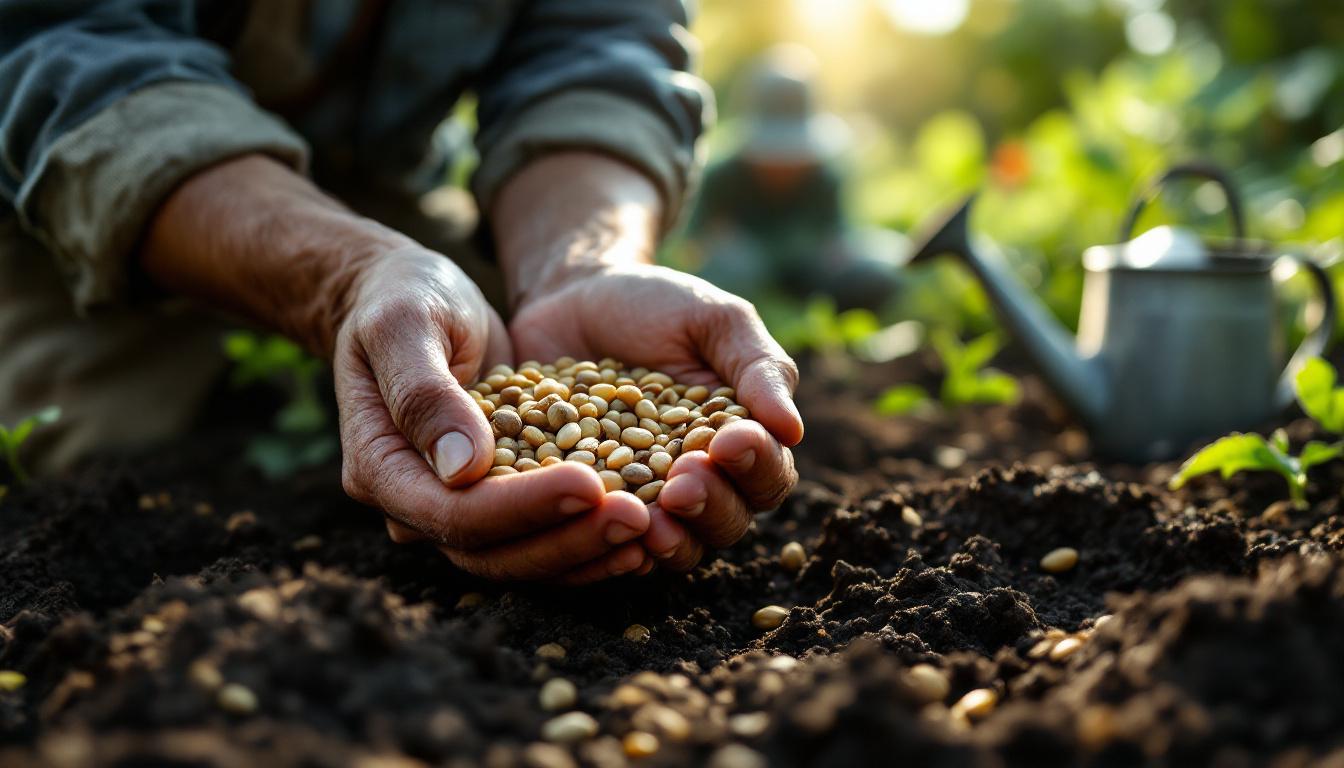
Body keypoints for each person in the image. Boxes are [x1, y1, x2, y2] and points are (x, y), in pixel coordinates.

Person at [0, 1, 802, 585]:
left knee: (480, 336)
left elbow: (599, 49)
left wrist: (579, 265)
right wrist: (344, 276)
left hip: (390, 195)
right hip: (97, 192)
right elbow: (61, 47)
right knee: (117, 458)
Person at [686, 45, 907, 311]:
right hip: (741, 275)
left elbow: (838, 239)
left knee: (878, 268)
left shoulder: (825, 178)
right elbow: (696, 242)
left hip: (809, 272)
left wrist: (835, 255)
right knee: (730, 273)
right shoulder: (722, 178)